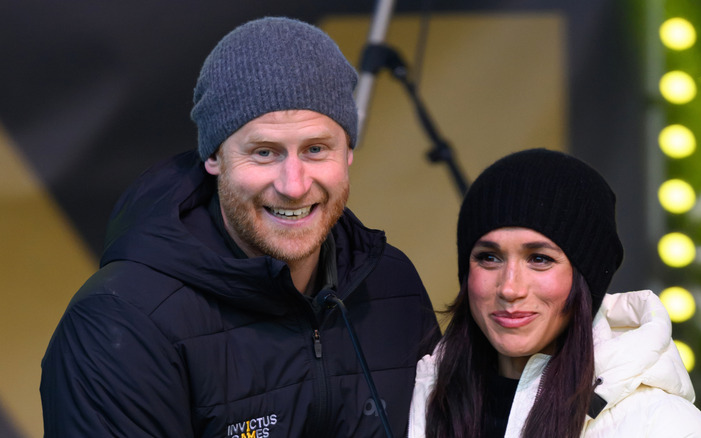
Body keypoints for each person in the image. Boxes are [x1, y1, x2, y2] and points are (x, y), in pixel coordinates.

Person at [40, 17, 439, 437]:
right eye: (265, 152)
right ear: (214, 158)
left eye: (316, 149)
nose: (294, 184)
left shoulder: (392, 285)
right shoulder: (119, 321)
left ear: (348, 153)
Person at [407, 149, 701, 437]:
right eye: (489, 257)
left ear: (586, 279)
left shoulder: (660, 424)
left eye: (539, 259)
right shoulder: (419, 395)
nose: (510, 288)